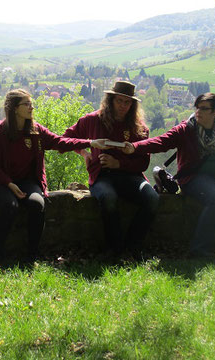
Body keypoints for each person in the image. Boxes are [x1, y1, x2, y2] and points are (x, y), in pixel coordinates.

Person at [123, 93, 215, 258]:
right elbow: (161, 141)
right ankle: (200, 251)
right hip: (194, 178)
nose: (198, 112)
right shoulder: (186, 129)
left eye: (204, 108)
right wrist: (134, 147)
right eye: (197, 107)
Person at [0, 88, 102, 261]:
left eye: (31, 103)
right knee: (9, 206)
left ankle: (31, 255)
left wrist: (89, 142)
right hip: (2, 182)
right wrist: (10, 184)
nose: (31, 107)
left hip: (27, 181)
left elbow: (60, 141)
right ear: (14, 108)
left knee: (37, 204)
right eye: (27, 104)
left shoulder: (36, 130)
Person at [63, 81, 159, 258]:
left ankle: (132, 246)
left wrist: (119, 164)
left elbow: (143, 162)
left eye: (127, 102)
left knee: (152, 198)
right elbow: (67, 138)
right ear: (110, 100)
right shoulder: (92, 120)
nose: (123, 106)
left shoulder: (139, 128)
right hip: (101, 176)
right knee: (108, 198)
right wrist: (83, 152)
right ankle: (115, 249)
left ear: (133, 105)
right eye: (119, 101)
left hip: (132, 176)